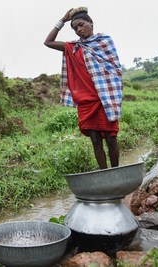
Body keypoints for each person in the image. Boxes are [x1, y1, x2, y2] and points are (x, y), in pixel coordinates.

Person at [44, 7, 123, 169]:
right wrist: (62, 21)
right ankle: (105, 174)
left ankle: (117, 172)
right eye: (75, 28)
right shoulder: (73, 47)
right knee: (95, 140)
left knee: (111, 138)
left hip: (104, 99)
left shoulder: (104, 41)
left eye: (81, 25)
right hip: (86, 103)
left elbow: (114, 72)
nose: (79, 30)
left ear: (91, 23)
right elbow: (48, 42)